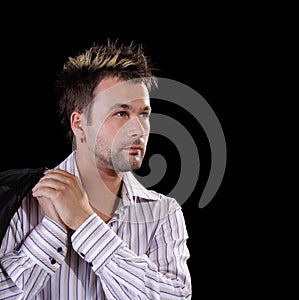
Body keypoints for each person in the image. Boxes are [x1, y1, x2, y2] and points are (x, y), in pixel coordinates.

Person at [0, 39, 192, 299]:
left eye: (144, 114)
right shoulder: (20, 200)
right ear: (80, 124)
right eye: (121, 113)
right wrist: (52, 230)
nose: (139, 129)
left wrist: (84, 222)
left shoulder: (163, 213)